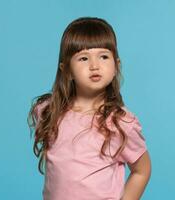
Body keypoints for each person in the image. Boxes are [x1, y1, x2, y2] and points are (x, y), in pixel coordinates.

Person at [27, 16, 151, 200]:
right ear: (66, 70)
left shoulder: (120, 122)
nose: (95, 66)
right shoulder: (48, 111)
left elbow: (142, 170)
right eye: (84, 58)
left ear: (116, 65)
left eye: (103, 56)